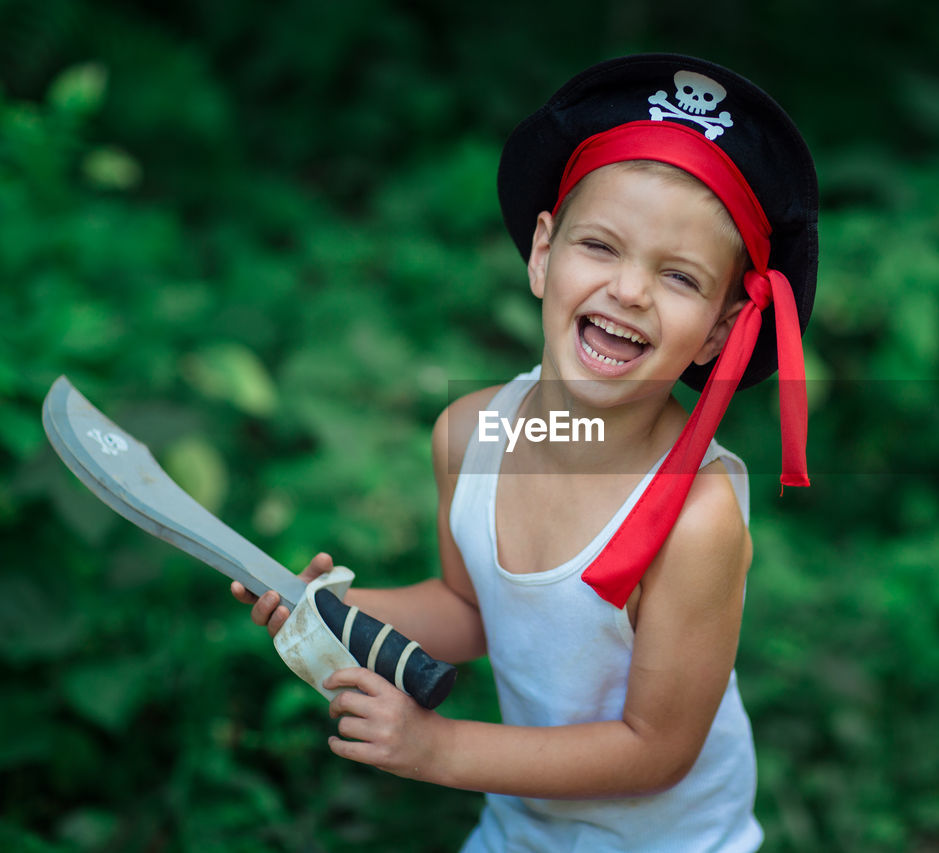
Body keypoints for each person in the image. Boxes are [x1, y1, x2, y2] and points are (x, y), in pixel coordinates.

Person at [232, 53, 819, 851]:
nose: (630, 290)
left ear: (718, 330)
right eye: (601, 247)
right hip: (522, 829)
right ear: (544, 252)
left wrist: (438, 747)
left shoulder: (696, 519)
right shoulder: (476, 434)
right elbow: (470, 612)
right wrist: (328, 609)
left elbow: (658, 749)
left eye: (679, 277)